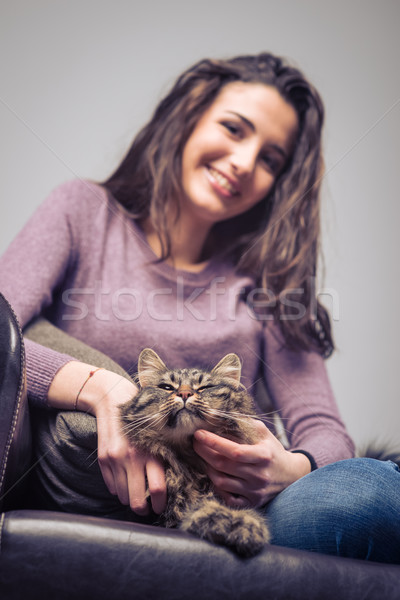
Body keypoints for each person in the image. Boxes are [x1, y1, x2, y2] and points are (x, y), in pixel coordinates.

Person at [0, 52, 399, 563]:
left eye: (270, 159)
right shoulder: (82, 211)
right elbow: (1, 334)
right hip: (95, 495)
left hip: (243, 509)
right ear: (189, 114)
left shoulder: (267, 278)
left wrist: (290, 468)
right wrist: (102, 388)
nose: (243, 162)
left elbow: (324, 428)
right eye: (234, 129)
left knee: (370, 491)